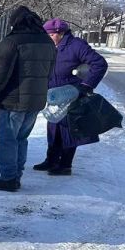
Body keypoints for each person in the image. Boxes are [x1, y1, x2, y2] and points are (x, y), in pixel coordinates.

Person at [0, 5, 55, 192]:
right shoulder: (47, 42)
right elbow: (49, 73)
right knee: (21, 139)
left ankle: (8, 178)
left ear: (15, 23)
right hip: (35, 102)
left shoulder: (12, 42)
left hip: (13, 101)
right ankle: (16, 175)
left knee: (8, 140)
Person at [35, 19, 108, 175]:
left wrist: (86, 85)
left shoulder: (76, 45)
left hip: (71, 94)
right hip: (54, 95)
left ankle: (65, 165)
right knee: (54, 127)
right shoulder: (50, 46)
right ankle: (51, 160)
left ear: (60, 33)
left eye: (50, 34)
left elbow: (100, 64)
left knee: (68, 130)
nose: (47, 37)